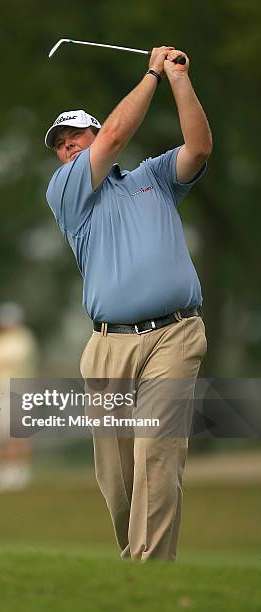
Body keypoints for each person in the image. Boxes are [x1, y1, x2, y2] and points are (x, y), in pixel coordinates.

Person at [45, 47, 212, 562]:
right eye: (60, 144)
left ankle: (151, 569)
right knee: (117, 477)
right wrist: (151, 74)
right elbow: (118, 133)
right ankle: (133, 557)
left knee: (156, 453)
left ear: (95, 135)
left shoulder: (152, 178)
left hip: (175, 335)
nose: (69, 146)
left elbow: (199, 148)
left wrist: (178, 78)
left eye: (77, 137)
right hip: (108, 347)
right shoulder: (67, 192)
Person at [0, 302, 39, 492]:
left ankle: (20, 469)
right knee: (1, 433)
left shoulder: (24, 338)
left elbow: (14, 359)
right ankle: (5, 469)